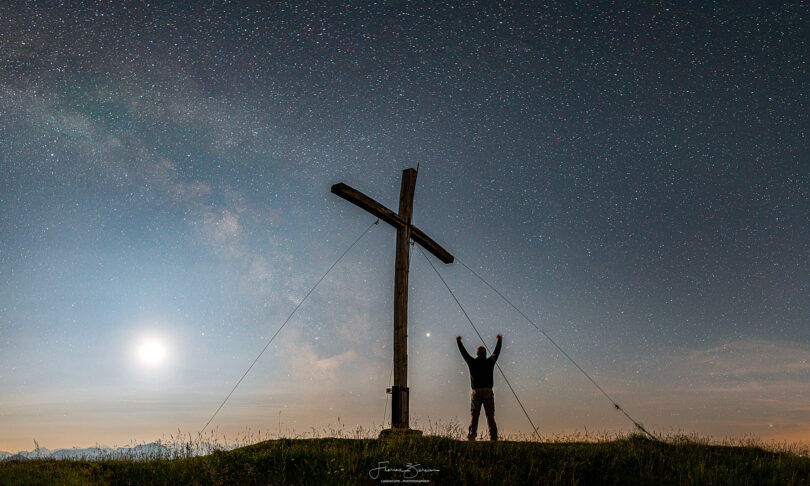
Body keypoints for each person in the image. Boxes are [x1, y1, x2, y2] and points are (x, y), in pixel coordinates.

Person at [456, 334, 502, 441]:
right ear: (485, 354)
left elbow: (464, 353)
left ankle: (472, 436)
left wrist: (459, 342)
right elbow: (497, 352)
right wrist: (499, 340)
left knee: (474, 415)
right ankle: (493, 437)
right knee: (490, 415)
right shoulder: (489, 362)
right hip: (487, 391)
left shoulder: (472, 362)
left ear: (477, 354)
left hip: (476, 391)